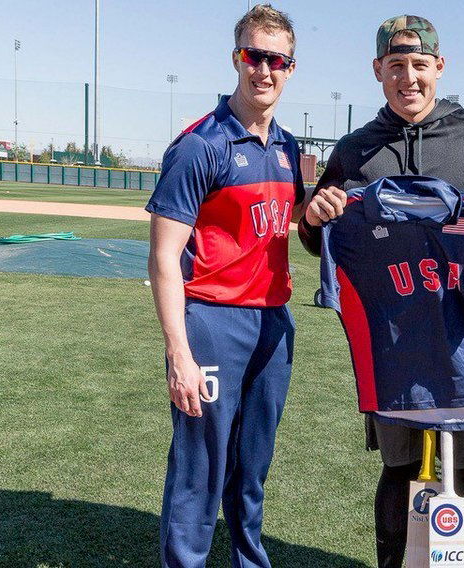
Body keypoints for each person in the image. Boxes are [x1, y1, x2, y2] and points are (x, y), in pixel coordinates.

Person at [296, 14, 464, 568]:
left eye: (420, 65)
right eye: (397, 66)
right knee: (399, 466)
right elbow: (321, 238)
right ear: (378, 71)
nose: (409, 78)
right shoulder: (357, 149)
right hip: (396, 340)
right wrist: (315, 219)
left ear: (440, 68)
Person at [145, 5, 303, 567]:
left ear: (290, 67)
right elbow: (164, 257)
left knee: (252, 467)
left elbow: (298, 227)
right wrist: (178, 352)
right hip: (212, 323)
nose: (264, 70)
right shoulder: (199, 146)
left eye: (276, 60)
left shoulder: (288, 148)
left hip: (273, 324)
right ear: (237, 58)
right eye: (253, 56)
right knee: (200, 469)